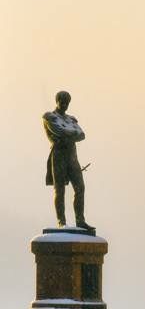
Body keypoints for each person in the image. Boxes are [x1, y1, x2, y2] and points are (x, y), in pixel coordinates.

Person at [42, 91, 94, 231]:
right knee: (59, 189)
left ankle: (80, 220)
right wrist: (71, 134)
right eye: (62, 101)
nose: (65, 105)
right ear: (57, 100)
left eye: (67, 102)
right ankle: (61, 221)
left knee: (80, 187)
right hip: (59, 156)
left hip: (72, 157)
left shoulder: (71, 119)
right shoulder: (49, 117)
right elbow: (58, 131)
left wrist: (68, 135)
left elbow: (81, 135)